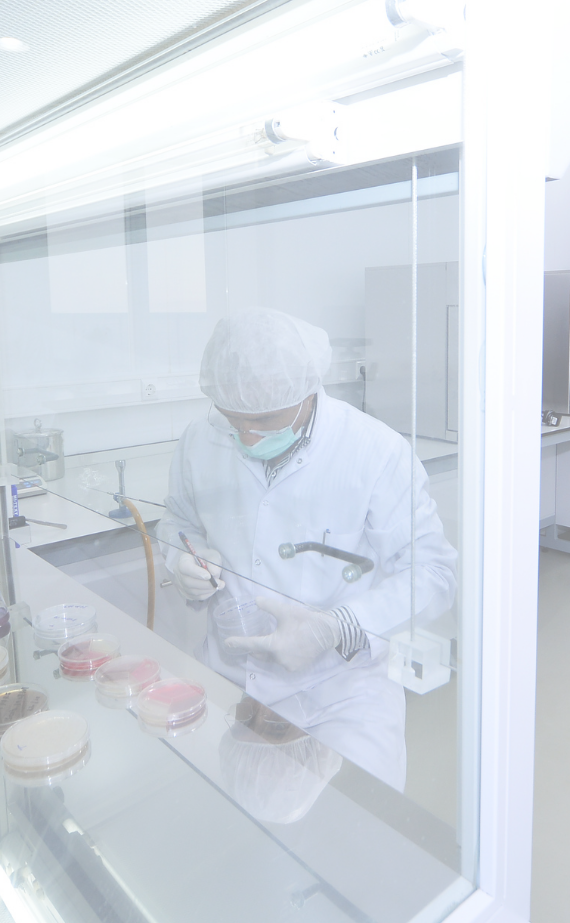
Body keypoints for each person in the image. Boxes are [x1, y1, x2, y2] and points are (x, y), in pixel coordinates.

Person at [159, 308, 456, 790]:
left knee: (357, 836)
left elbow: (435, 574)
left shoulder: (374, 452)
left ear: (307, 392)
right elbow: (177, 520)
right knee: (231, 825)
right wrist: (180, 556)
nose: (249, 437)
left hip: (342, 692)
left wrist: (337, 628)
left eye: (265, 420)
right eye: (235, 421)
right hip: (231, 681)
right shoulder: (200, 439)